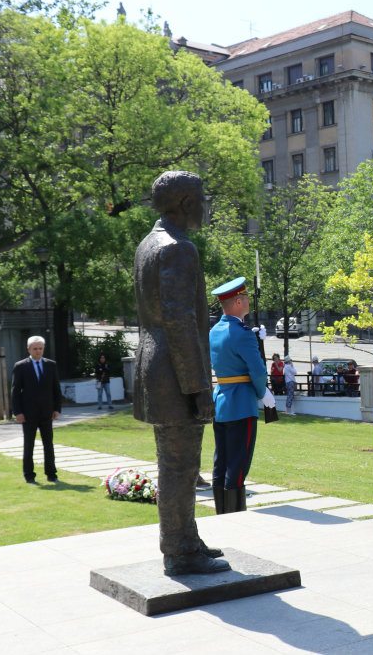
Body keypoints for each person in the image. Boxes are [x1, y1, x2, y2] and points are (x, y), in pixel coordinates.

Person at [133, 170, 228, 575]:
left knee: (175, 464)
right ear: (188, 203)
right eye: (202, 198)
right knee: (180, 466)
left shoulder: (147, 244)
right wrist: (199, 388)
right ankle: (178, 548)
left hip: (156, 366)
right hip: (174, 371)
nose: (206, 206)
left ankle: (185, 538)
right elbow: (179, 321)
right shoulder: (178, 248)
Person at [210, 276, 274, 514]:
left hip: (221, 402)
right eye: (245, 298)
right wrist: (263, 392)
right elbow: (256, 370)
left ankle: (221, 512)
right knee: (238, 464)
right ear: (237, 302)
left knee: (222, 461)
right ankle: (234, 515)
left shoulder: (214, 331)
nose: (248, 301)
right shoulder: (242, 333)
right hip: (241, 403)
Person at [11, 335, 62, 484]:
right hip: (28, 414)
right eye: (35, 349)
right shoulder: (20, 366)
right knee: (29, 445)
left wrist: (57, 408)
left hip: (47, 412)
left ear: (43, 348)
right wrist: (17, 412)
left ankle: (51, 474)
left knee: (49, 444)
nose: (38, 351)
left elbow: (56, 389)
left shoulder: (51, 365)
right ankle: (29, 475)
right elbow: (15, 391)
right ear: (29, 349)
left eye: (40, 348)